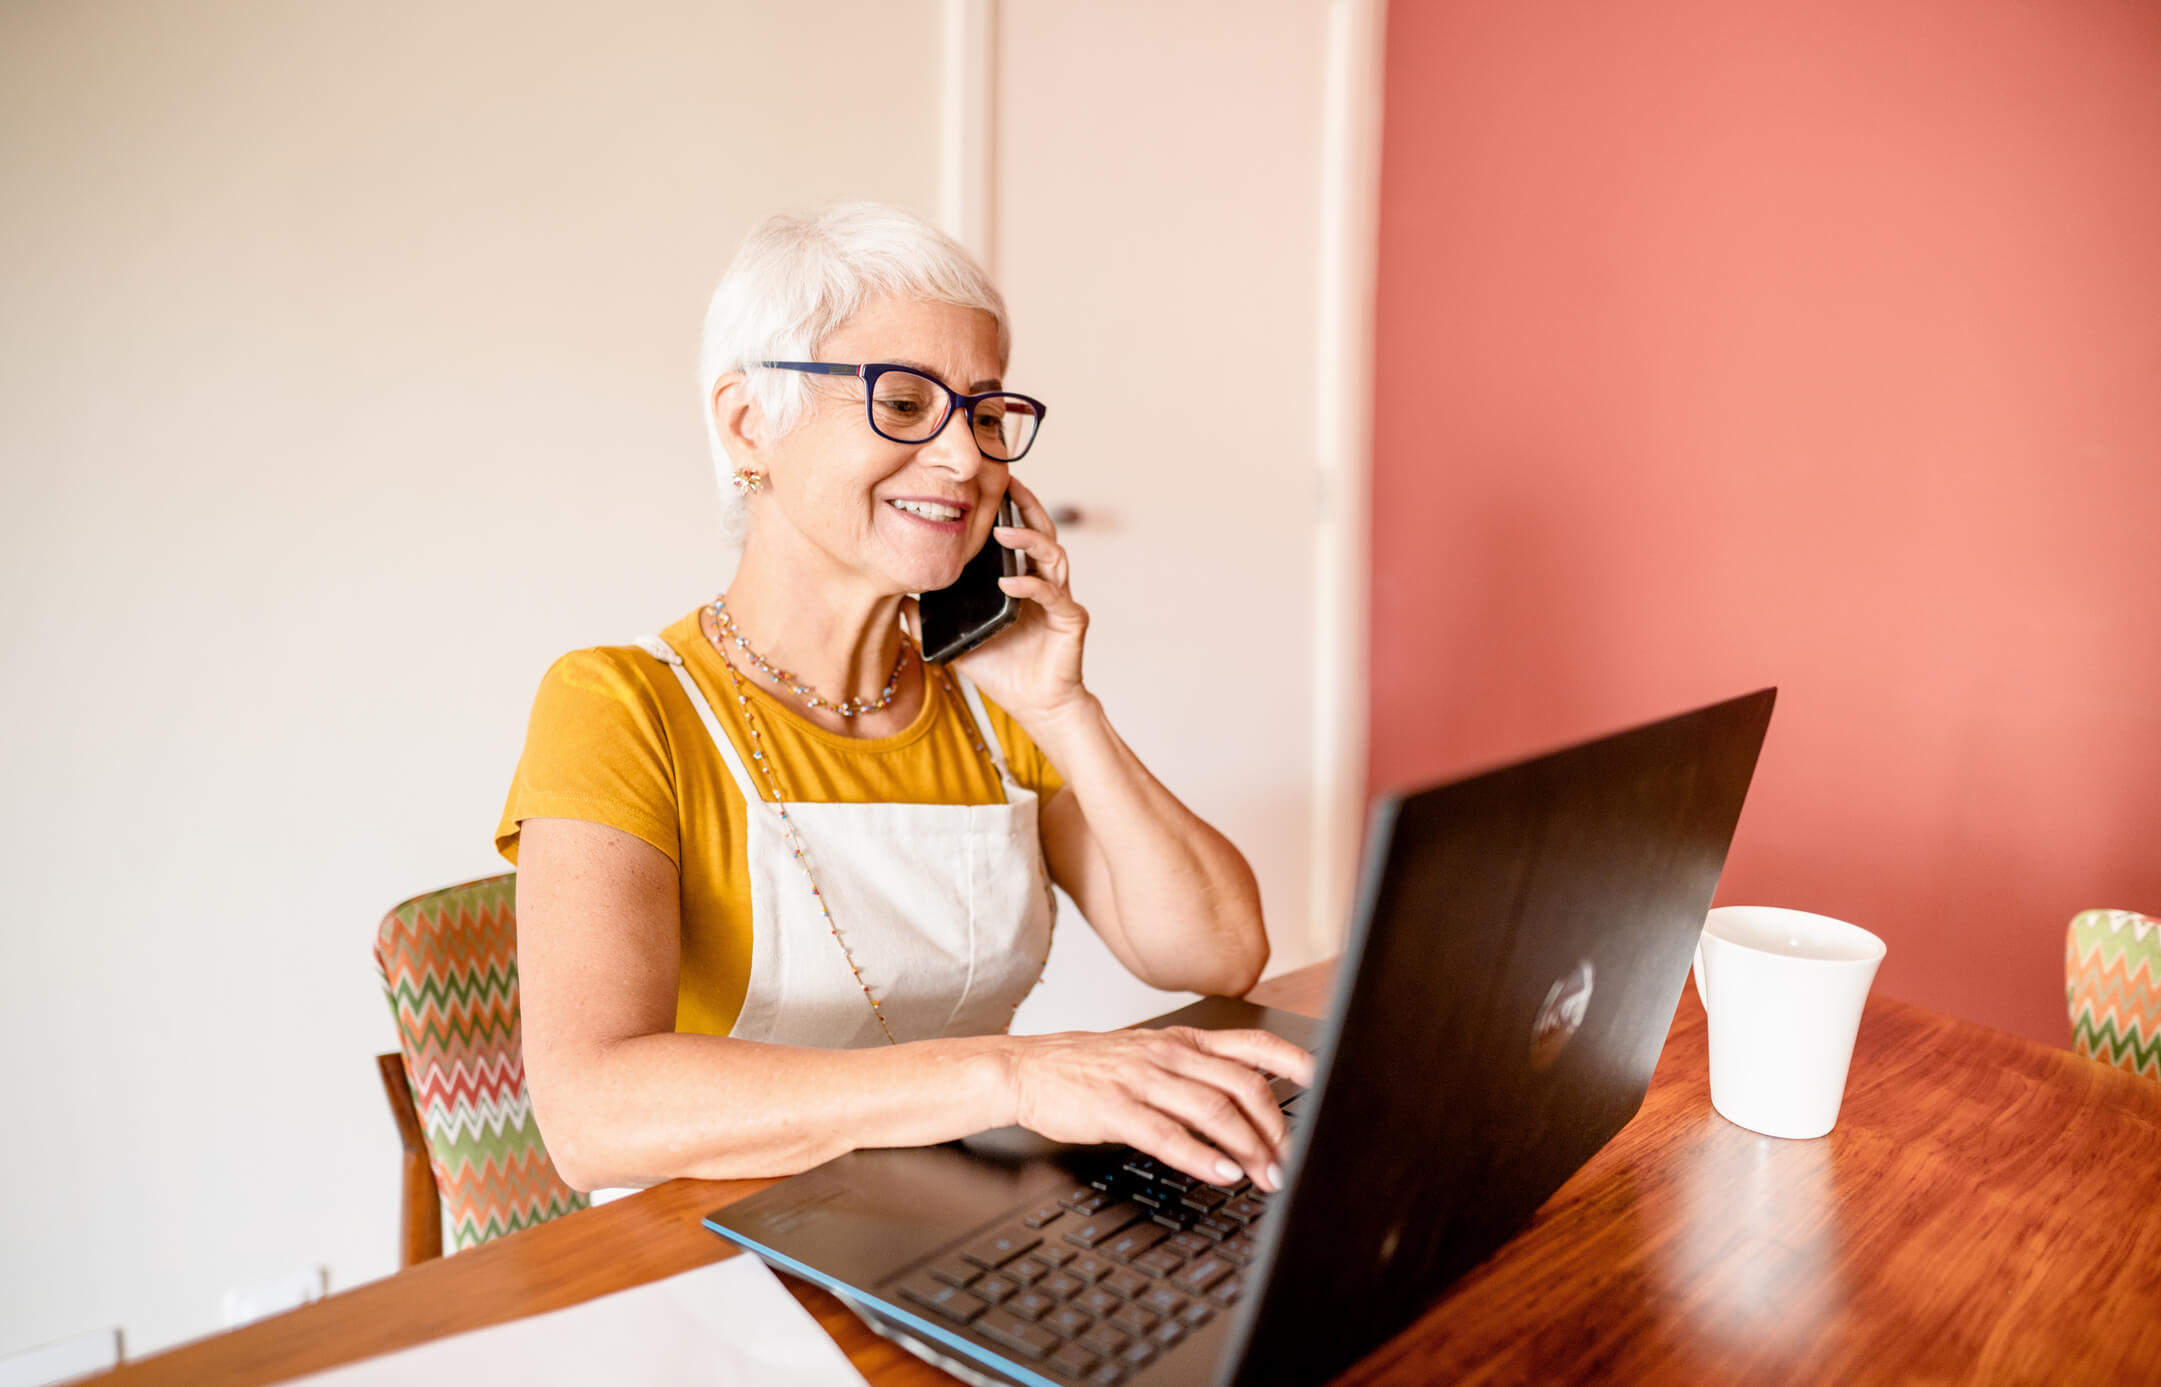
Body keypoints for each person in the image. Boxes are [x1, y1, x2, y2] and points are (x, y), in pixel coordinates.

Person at [496, 202, 1311, 1202]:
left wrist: (1061, 708)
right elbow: (593, 1114)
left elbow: (1218, 952)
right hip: (708, 1247)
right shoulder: (615, 705)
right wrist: (1010, 1074)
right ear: (748, 423)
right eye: (905, 402)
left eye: (982, 412)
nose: (966, 459)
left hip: (949, 1223)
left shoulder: (988, 703)